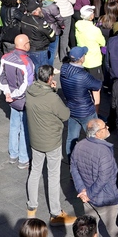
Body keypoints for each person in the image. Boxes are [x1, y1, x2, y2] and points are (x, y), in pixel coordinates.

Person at [25, 63, 77, 225]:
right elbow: (65, 114)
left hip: (35, 139)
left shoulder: (30, 91)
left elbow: (42, 103)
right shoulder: (52, 98)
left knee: (35, 171)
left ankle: (32, 208)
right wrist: (53, 92)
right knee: (53, 175)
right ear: (49, 78)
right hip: (52, 141)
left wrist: (50, 89)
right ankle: (55, 213)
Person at [70, 118, 118, 237]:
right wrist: (90, 194)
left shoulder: (78, 146)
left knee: (90, 233)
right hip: (106, 199)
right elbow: (104, 177)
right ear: (98, 133)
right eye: (105, 127)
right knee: (116, 235)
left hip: (87, 199)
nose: (108, 128)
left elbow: (73, 168)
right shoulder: (104, 152)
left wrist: (82, 190)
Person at [0, 34, 36, 169]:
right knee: (25, 128)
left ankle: (13, 155)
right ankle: (23, 158)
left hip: (11, 99)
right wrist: (14, 95)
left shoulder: (5, 58)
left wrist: (7, 93)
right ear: (25, 45)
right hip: (23, 100)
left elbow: (0, 77)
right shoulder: (27, 62)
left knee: (14, 126)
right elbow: (27, 85)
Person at [60, 47, 102, 155]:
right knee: (95, 138)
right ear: (82, 58)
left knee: (71, 138)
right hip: (86, 111)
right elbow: (97, 85)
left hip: (72, 110)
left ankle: (71, 160)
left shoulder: (64, 69)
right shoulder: (83, 76)